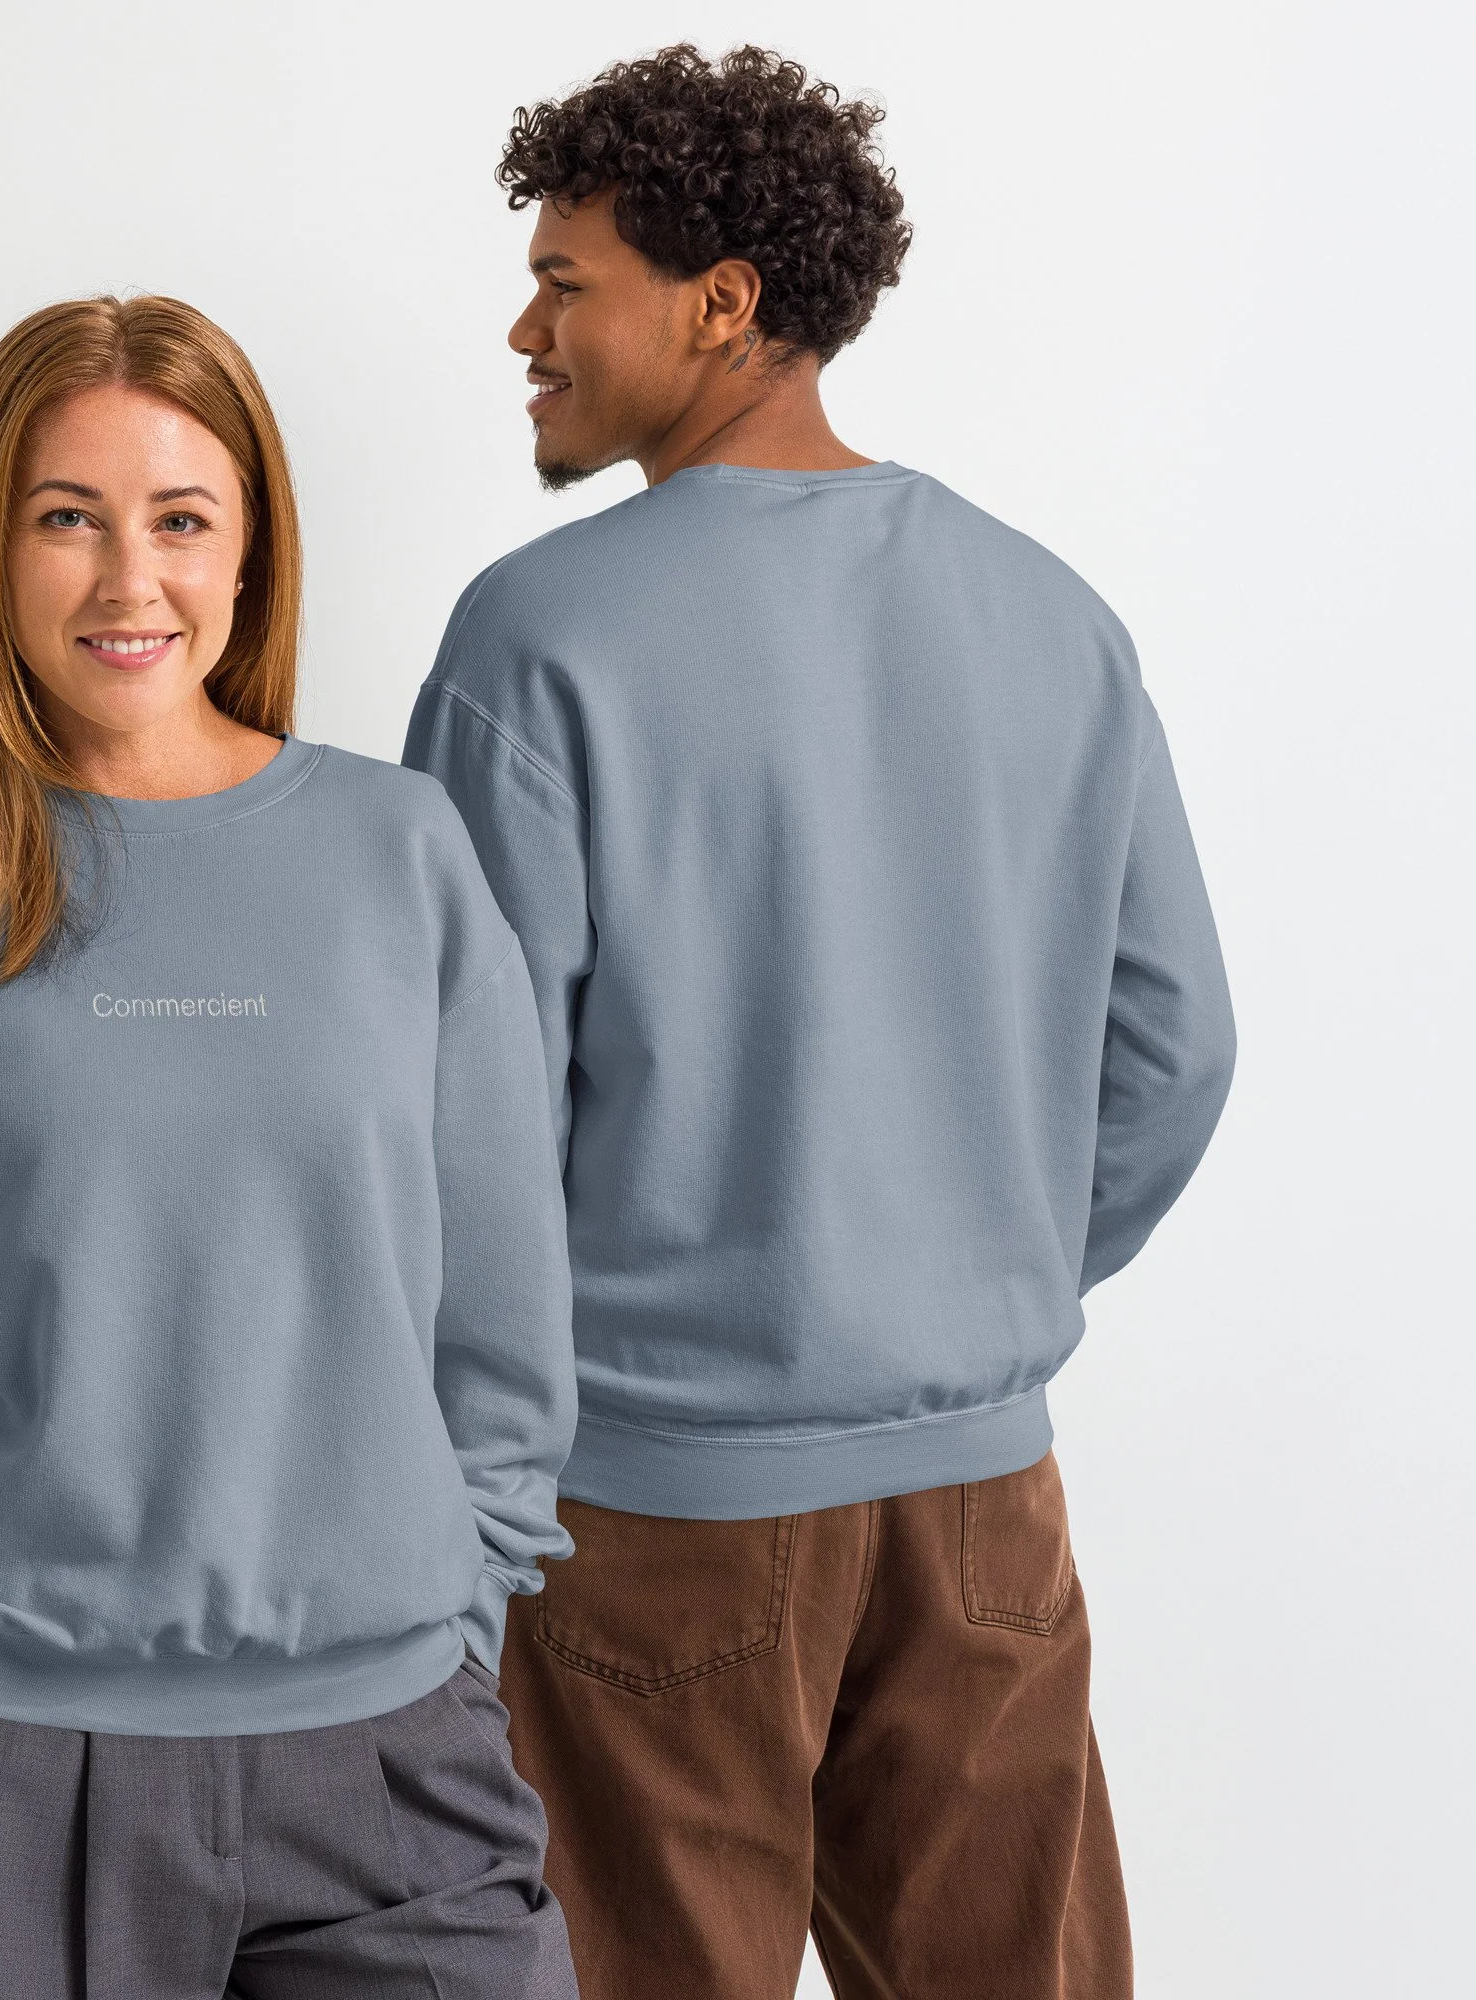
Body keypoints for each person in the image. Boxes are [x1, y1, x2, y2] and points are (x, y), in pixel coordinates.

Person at [403, 45, 1235, 2000]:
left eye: (565, 283)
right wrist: (958, 1284)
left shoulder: (541, 636)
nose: (525, 332)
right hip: (984, 1502)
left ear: (722, 302)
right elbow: (1176, 1047)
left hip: (651, 1502)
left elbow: (457, 1118)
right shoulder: (1049, 614)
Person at [0, 294, 580, 2000]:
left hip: (393, 1756)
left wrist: (461, 1624)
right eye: (69, 519)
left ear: (250, 551)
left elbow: (503, 1325)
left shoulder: (402, 853)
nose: (131, 580)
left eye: (182, 520)